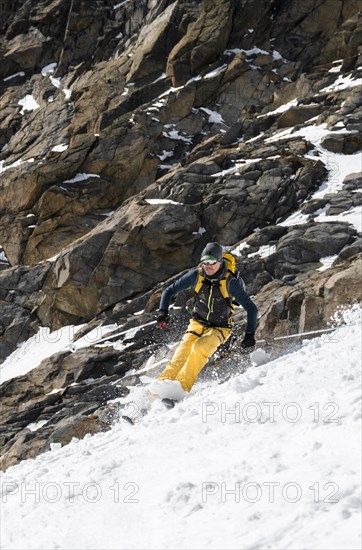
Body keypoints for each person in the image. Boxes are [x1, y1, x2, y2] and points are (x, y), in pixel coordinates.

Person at [151, 242, 258, 400]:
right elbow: (169, 290)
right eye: (205, 262)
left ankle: (180, 389)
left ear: (220, 261)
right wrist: (163, 311)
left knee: (200, 348)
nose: (208, 266)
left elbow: (251, 308)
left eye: (212, 262)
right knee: (180, 355)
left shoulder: (230, 282)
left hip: (220, 328)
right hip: (197, 322)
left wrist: (249, 335)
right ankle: (156, 394)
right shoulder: (197, 275)